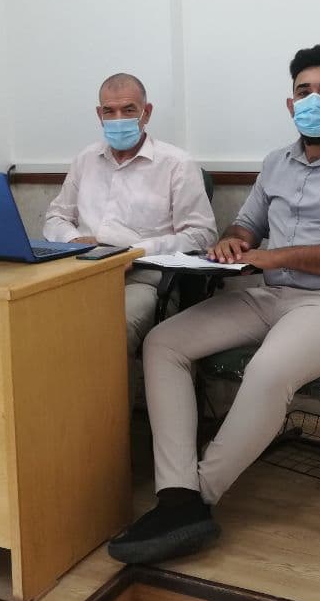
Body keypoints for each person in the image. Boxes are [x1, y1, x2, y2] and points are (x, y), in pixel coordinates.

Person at [107, 45, 320, 564]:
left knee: (267, 370)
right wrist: (233, 242)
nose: (314, 100)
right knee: (163, 342)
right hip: (270, 295)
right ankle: (176, 491)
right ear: (290, 104)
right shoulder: (276, 164)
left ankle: (196, 500)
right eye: (303, 91)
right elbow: (246, 225)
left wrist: (277, 256)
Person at [44, 73, 216, 398]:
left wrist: (135, 252)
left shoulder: (177, 164)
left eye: (128, 109)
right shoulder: (86, 160)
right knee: (33, 322)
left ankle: (104, 423)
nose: (118, 118)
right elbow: (56, 216)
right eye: (109, 111)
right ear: (99, 115)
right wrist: (72, 240)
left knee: (108, 329)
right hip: (79, 273)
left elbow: (202, 235)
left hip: (143, 279)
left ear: (146, 113)